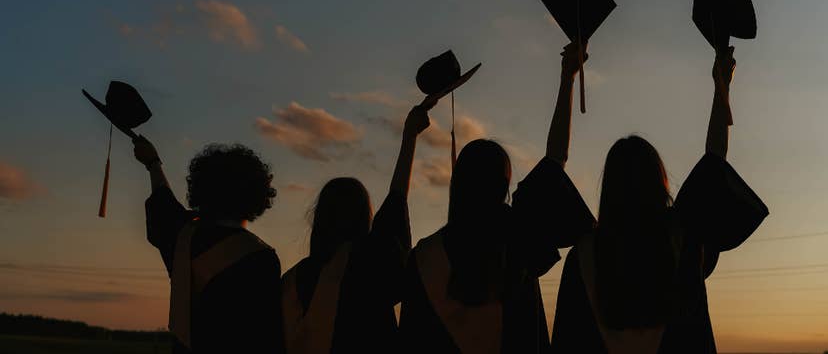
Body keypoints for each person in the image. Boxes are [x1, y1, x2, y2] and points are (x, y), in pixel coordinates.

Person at [549, 45, 769, 353]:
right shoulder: (684, 244)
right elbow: (714, 164)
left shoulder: (583, 258)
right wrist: (722, 85)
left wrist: (567, 79)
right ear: (659, 185)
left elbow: (552, 169)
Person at [398, 44, 595, 354]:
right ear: (504, 185)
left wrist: (409, 138)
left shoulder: (424, 258)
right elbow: (556, 159)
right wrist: (567, 78)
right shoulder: (519, 233)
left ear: (458, 186)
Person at [280, 101, 433, 353]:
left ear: (318, 218)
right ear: (364, 217)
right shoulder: (368, 263)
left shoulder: (291, 282)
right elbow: (395, 207)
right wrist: (409, 137)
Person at [132, 137, 283, 354]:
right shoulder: (261, 259)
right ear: (258, 192)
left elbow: (163, 204)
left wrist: (153, 163)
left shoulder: (181, 236)